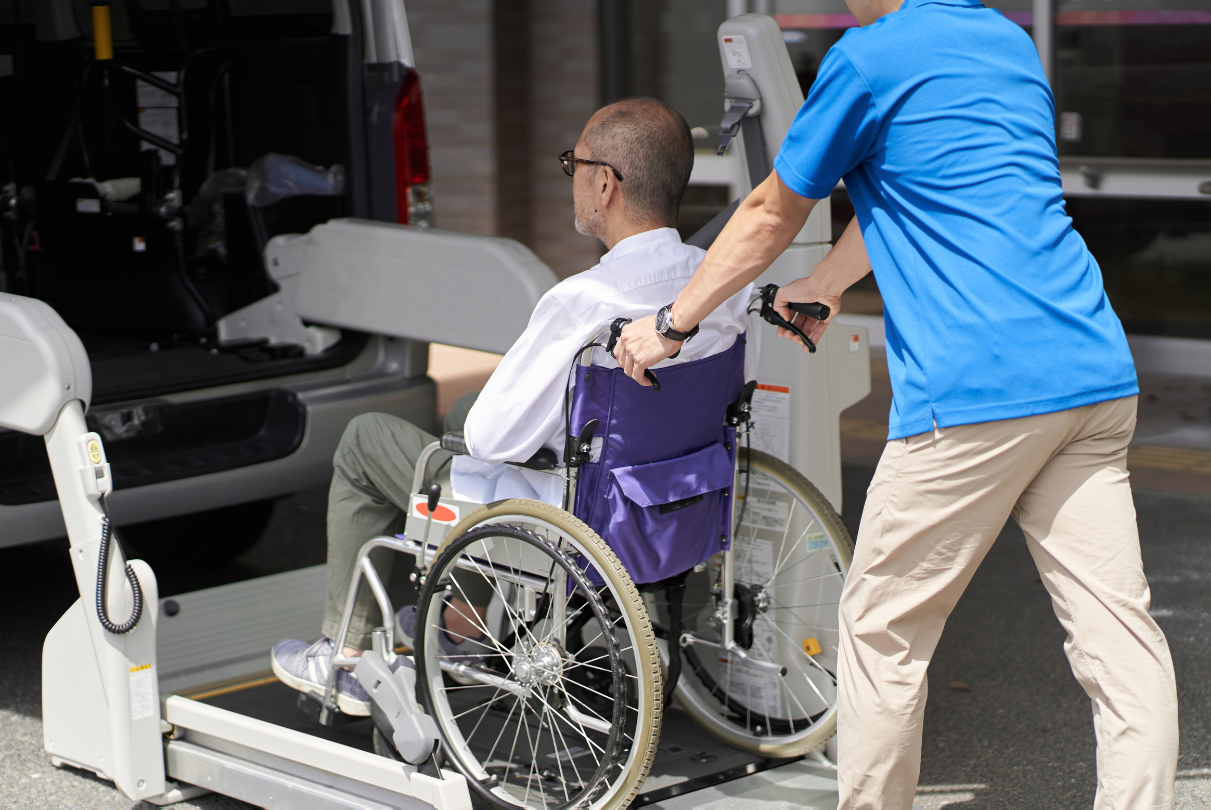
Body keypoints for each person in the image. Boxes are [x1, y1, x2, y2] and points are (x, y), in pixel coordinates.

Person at [612, 1, 1179, 808]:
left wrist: (672, 322)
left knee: (881, 630)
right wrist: (825, 286)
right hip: (1088, 369)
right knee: (1118, 638)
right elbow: (939, 190)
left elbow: (773, 209)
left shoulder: (867, 58)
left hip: (976, 389)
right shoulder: (1005, 41)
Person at [270, 96, 755, 716]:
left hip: (576, 517)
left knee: (369, 439)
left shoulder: (583, 299)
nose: (572, 178)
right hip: (671, 497)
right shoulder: (716, 284)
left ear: (604, 183)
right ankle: (463, 627)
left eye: (573, 165)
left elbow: (492, 441)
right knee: (466, 411)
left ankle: (343, 659)